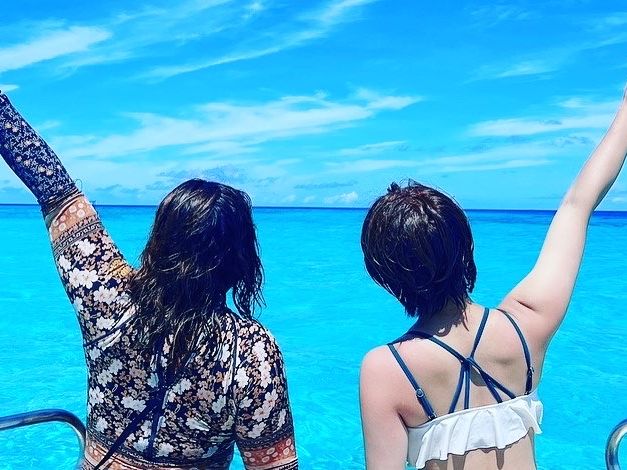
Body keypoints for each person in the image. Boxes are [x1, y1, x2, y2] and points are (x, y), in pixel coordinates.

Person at [0, 91, 298, 470]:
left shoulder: (108, 299)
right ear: (242, 260)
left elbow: (55, 192)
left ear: (159, 242)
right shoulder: (251, 353)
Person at [359, 86, 627, 469]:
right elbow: (577, 206)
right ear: (466, 248)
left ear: (385, 275)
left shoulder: (386, 369)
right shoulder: (528, 323)